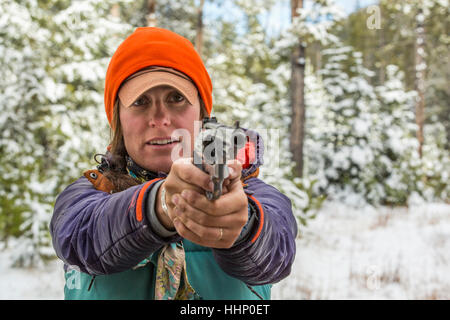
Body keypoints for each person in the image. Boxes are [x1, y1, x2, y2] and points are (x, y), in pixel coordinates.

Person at [50, 27, 297, 300]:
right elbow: (80, 238)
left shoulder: (252, 192)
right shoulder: (88, 195)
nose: (160, 118)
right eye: (141, 101)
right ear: (118, 117)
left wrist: (242, 225)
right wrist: (161, 204)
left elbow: (276, 252)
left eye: (177, 98)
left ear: (202, 114)